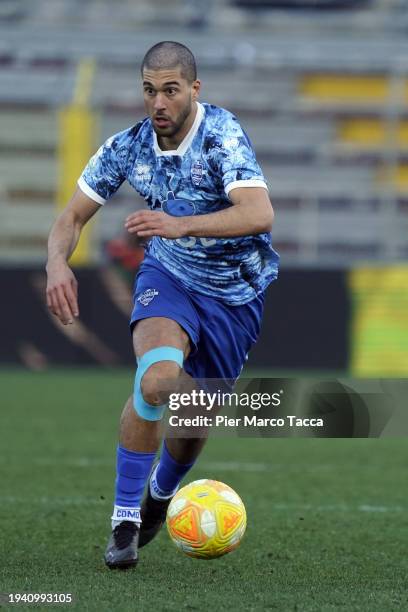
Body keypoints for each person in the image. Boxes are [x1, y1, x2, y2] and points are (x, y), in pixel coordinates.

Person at [45, 41, 279, 569]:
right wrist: (57, 263)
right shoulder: (128, 146)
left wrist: (178, 223)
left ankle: (160, 496)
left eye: (171, 90)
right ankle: (125, 521)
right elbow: (71, 218)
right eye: (150, 90)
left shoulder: (222, 135)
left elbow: (259, 213)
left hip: (235, 293)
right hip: (168, 276)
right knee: (155, 383)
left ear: (195, 90)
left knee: (195, 414)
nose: (159, 103)